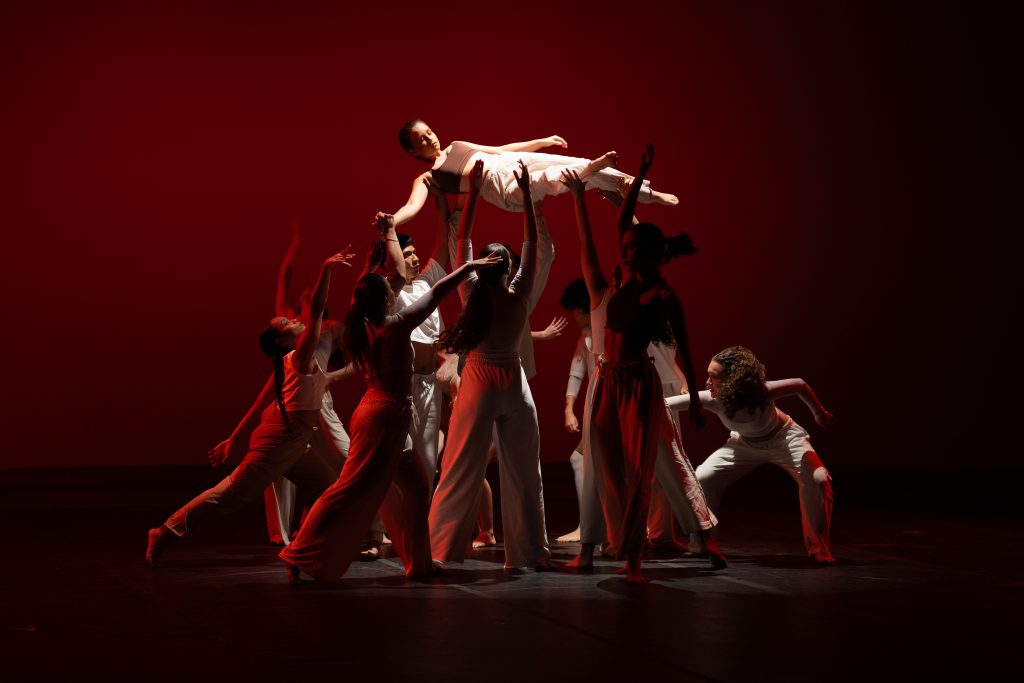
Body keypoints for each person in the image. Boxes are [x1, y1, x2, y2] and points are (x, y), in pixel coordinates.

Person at [279, 231, 502, 582]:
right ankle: (297, 552)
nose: (393, 289)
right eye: (388, 289)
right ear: (385, 300)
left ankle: (420, 564)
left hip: (386, 415)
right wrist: (469, 266)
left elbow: (362, 294)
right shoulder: (393, 327)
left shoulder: (362, 323)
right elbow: (436, 293)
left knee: (417, 488)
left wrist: (367, 267)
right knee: (349, 489)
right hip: (383, 418)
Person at [561, 145, 720, 582]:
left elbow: (687, 349)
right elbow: (609, 230)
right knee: (601, 466)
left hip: (638, 385)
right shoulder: (615, 285)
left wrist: (697, 402)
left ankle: (660, 548)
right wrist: (630, 178)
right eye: (626, 248)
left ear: (653, 254)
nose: (626, 253)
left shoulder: (663, 296)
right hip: (606, 381)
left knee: (652, 466)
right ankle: (598, 549)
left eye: (634, 248)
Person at [146, 246, 357, 565]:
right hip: (279, 441)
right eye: (286, 322)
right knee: (232, 493)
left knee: (327, 488)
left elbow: (265, 396)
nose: (292, 319)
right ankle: (165, 531)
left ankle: (303, 547)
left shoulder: (292, 359)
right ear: (282, 341)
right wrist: (325, 270)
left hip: (295, 440)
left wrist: (234, 436)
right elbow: (316, 311)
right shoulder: (299, 357)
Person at [428, 160, 554, 571]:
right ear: (507, 268)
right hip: (507, 381)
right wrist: (526, 198)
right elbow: (528, 243)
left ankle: (443, 551)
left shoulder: (474, 290)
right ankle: (527, 554)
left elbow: (464, 238)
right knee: (519, 472)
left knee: (463, 467)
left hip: (487, 382)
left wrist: (475, 192)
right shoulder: (508, 292)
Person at [667, 346, 836, 564]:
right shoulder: (711, 398)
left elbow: (799, 384)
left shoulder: (761, 392)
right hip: (743, 445)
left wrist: (819, 413)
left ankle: (818, 550)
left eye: (714, 377)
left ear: (734, 380)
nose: (707, 382)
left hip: (784, 440)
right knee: (703, 476)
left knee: (818, 479)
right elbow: (665, 404)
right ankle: (700, 544)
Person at [386, 119, 679, 226]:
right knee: (552, 179)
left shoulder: (456, 145)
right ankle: (597, 170)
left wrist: (542, 140)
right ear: (412, 151)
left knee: (577, 162)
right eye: (421, 140)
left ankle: (644, 191)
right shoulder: (427, 178)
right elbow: (411, 207)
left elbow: (501, 149)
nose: (430, 139)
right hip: (496, 185)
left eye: (429, 132)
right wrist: (392, 221)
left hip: (508, 162)